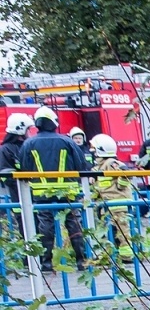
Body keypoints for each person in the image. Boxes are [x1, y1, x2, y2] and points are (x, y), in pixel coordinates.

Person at [17, 106, 89, 273]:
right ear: (53, 122)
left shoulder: (29, 143)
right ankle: (81, 261)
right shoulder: (67, 141)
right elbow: (81, 165)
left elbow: (24, 169)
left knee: (45, 227)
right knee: (74, 224)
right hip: (68, 192)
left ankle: (46, 263)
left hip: (41, 193)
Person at [89, 134, 134, 258]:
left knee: (122, 231)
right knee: (108, 231)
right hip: (107, 204)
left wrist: (120, 186)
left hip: (118, 204)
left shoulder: (111, 162)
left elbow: (126, 172)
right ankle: (109, 255)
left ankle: (126, 256)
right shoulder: (100, 166)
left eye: (94, 149)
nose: (92, 151)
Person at [0, 112, 32, 236]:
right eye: (28, 130)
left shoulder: (29, 145)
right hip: (18, 196)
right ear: (20, 130)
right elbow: (5, 174)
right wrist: (24, 182)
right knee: (25, 230)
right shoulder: (6, 149)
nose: (29, 133)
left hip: (35, 196)